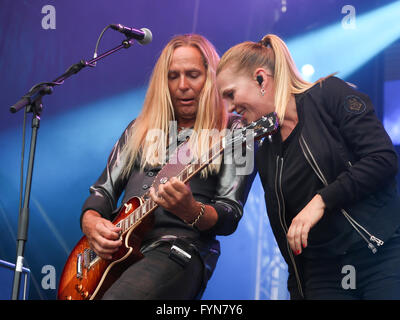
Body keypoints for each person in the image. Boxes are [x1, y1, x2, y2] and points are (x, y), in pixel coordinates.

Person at [216, 34, 400, 299]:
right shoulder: (267, 152)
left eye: (230, 94)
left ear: (260, 79)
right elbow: (286, 235)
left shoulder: (330, 94)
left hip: (380, 250)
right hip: (324, 272)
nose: (230, 107)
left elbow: (382, 159)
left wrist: (321, 201)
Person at [80, 34, 255, 300]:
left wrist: (192, 210)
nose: (182, 85)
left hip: (178, 250)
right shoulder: (138, 130)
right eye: (173, 76)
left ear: (212, 79)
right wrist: (91, 223)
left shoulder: (235, 131)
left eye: (193, 74)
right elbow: (102, 192)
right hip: (118, 255)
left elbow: (230, 213)